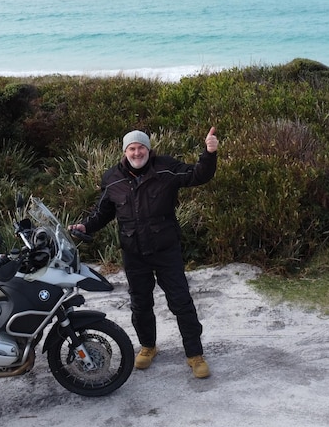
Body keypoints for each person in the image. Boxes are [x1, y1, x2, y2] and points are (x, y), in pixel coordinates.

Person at [70, 127, 219, 379]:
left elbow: (197, 175)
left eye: (141, 148)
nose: (137, 152)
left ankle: (195, 354)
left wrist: (210, 153)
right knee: (140, 304)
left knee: (181, 302)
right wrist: (86, 226)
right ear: (125, 151)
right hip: (133, 252)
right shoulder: (113, 178)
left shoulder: (165, 168)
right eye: (132, 148)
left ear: (148, 150)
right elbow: (104, 212)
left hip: (166, 249)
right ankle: (148, 346)